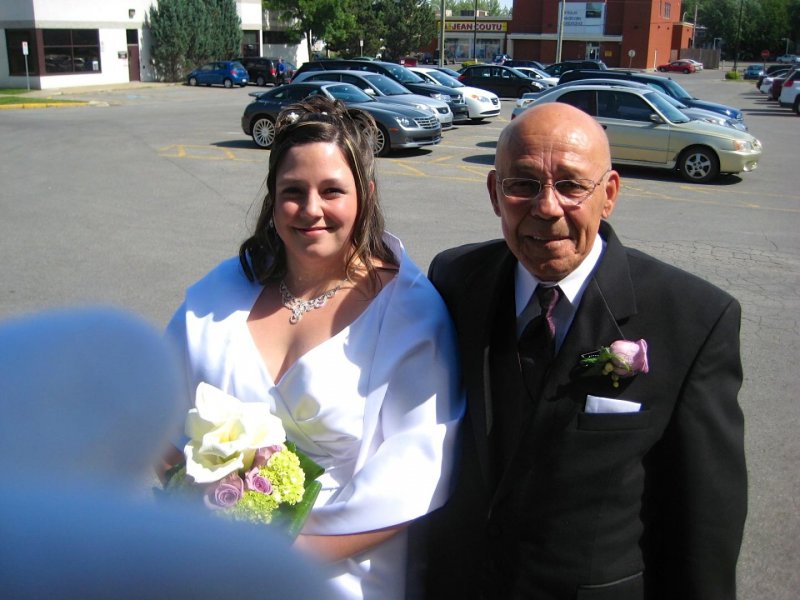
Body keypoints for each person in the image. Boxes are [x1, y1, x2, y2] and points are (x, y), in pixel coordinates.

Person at [416, 103, 747, 599]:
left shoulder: (692, 318)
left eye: (571, 186)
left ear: (608, 194)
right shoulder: (455, 279)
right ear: (494, 193)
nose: (546, 207)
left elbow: (705, 526)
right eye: (523, 184)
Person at [164, 96, 464, 600]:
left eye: (331, 190)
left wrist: (279, 557)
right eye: (293, 191)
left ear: (365, 194)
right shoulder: (219, 293)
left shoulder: (410, 314)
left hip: (342, 577)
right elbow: (156, 410)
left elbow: (415, 477)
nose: (311, 210)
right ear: (272, 197)